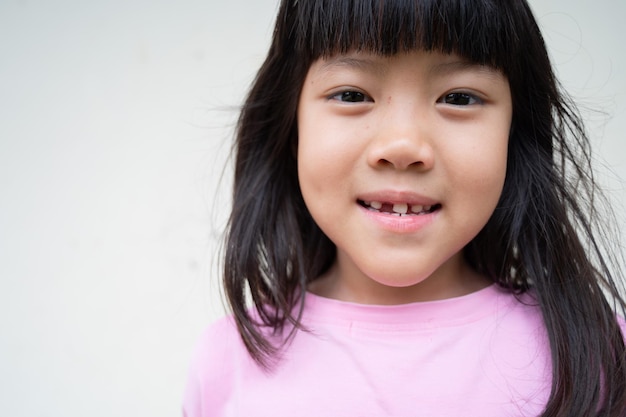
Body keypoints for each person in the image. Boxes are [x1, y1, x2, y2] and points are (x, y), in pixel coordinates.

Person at [183, 0, 626, 415]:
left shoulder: (596, 354)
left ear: (515, 133)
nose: (403, 146)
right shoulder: (227, 363)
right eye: (352, 94)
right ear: (292, 124)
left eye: (458, 97)